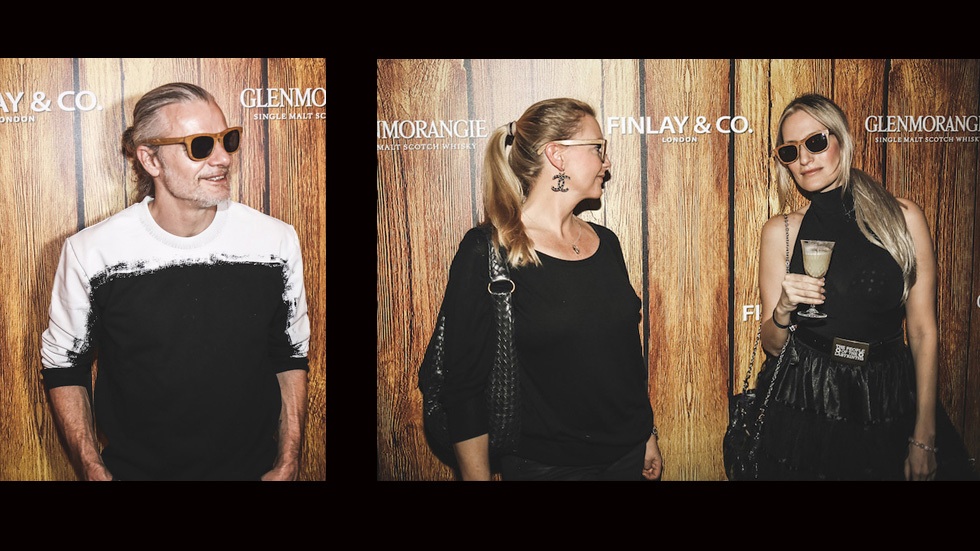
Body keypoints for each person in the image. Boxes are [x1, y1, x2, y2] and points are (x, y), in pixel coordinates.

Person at [39, 82, 310, 481]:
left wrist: (288, 461)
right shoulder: (93, 252)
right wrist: (92, 468)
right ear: (150, 159)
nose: (223, 158)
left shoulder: (275, 242)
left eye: (227, 140)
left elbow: (290, 355)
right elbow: (64, 365)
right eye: (200, 146)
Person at [440, 97, 663, 481]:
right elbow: (463, 389)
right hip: (547, 467)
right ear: (557, 155)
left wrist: (646, 434)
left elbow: (624, 358)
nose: (606, 162)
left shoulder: (607, 242)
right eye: (598, 148)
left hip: (627, 456)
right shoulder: (487, 251)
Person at [755, 92, 938, 480]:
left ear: (843, 140)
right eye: (790, 151)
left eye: (816, 142)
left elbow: (923, 332)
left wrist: (925, 434)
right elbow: (771, 345)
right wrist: (783, 309)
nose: (804, 159)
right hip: (808, 392)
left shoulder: (903, 219)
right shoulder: (781, 232)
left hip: (887, 391)